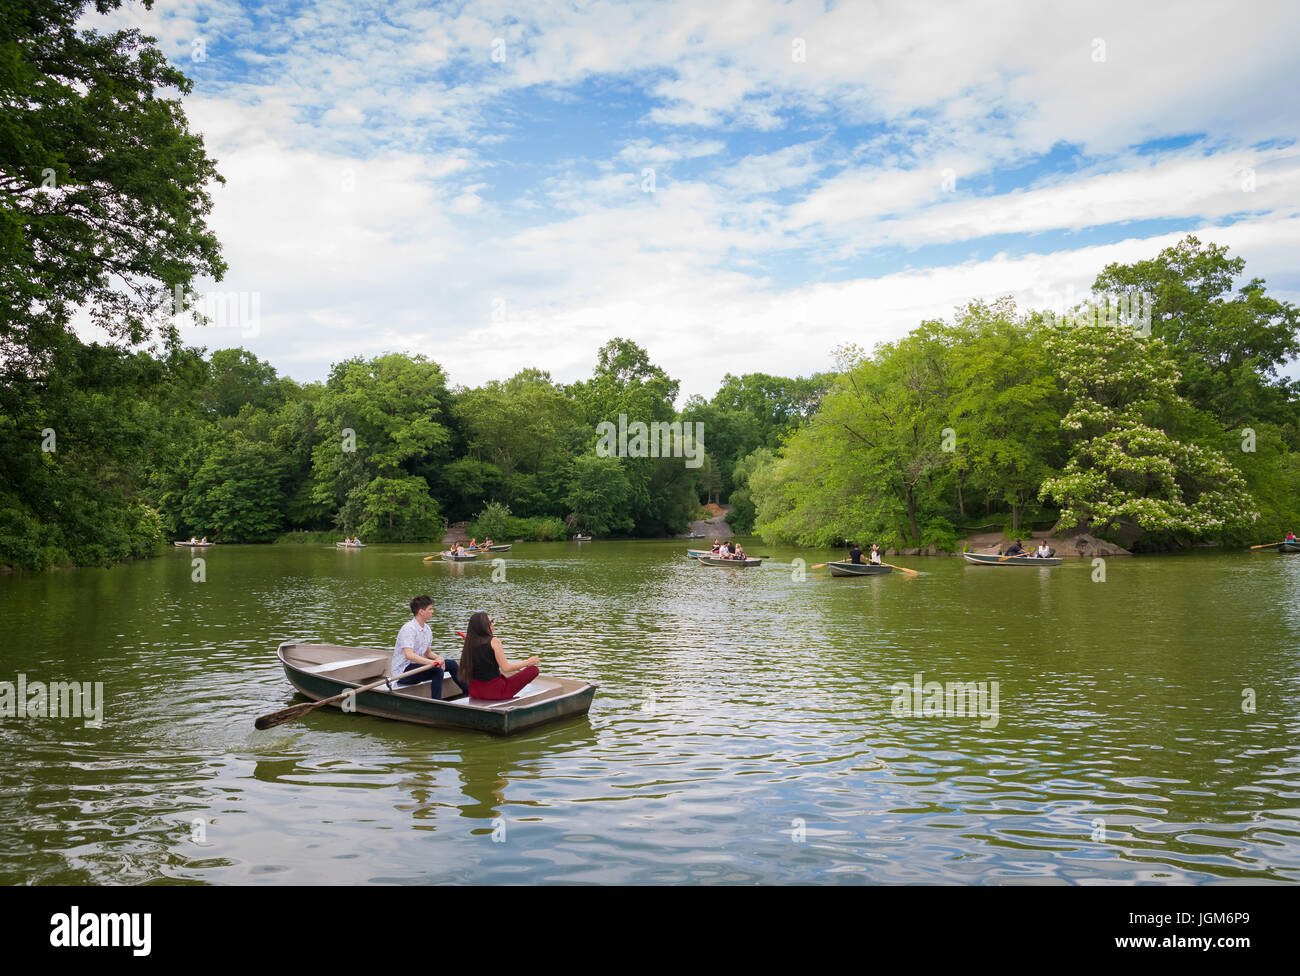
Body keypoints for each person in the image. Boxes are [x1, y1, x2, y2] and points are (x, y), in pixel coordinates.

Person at [391, 595, 464, 700]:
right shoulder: (408, 629)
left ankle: (468, 692)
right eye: (430, 609)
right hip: (403, 672)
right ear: (421, 611)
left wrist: (439, 659)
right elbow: (409, 655)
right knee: (437, 671)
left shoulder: (427, 629)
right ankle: (437, 702)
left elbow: (428, 653)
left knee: (452, 664)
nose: (432, 611)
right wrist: (432, 663)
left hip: (418, 666)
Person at [459, 612, 540, 701]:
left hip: (474, 692)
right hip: (495, 692)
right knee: (533, 670)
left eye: (492, 621)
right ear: (482, 626)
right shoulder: (494, 641)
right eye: (490, 622)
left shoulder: (469, 642)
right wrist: (528, 662)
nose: (493, 624)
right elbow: (506, 668)